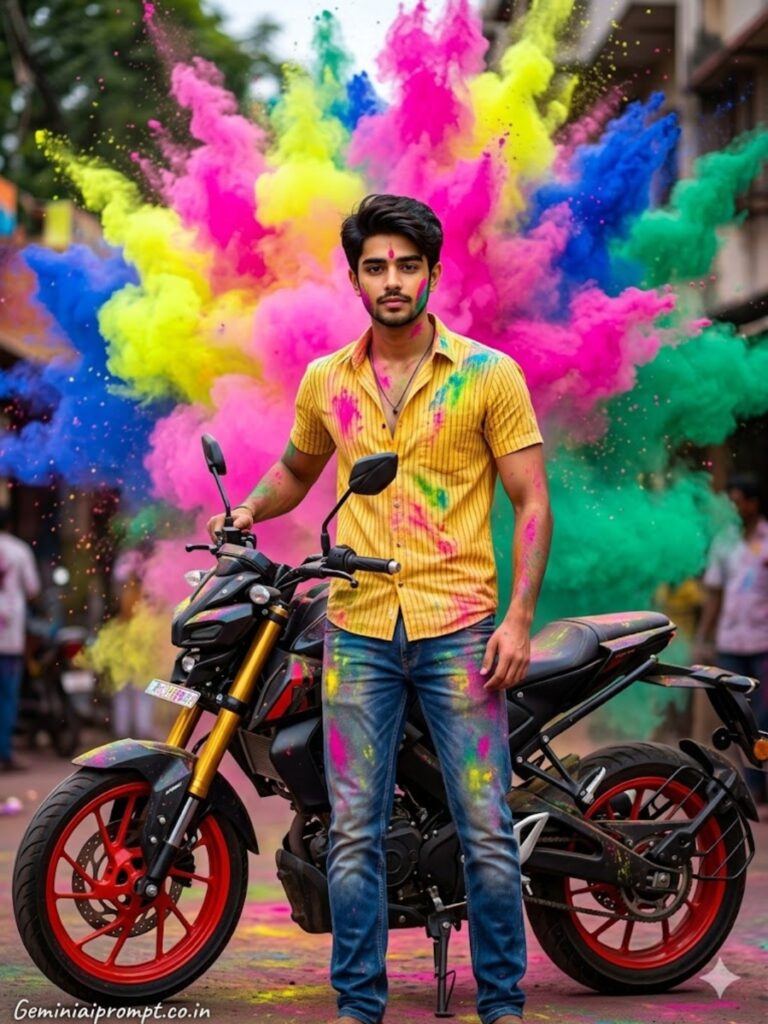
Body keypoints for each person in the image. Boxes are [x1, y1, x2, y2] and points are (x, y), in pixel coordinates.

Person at [208, 194, 552, 1024]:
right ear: (356, 279)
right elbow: (297, 470)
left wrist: (517, 620)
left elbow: (532, 502)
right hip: (358, 629)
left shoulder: (489, 375)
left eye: (407, 265)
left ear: (432, 274)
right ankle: (358, 1005)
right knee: (353, 832)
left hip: (459, 628)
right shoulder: (328, 380)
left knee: (486, 828)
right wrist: (249, 509)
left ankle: (502, 1005)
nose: (392, 280)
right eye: (375, 267)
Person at [696, 472, 768, 803]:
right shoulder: (724, 541)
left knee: (763, 717)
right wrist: (703, 637)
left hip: (763, 644)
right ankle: (753, 786)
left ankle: (760, 782)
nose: (732, 508)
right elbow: (714, 594)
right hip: (730, 644)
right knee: (737, 719)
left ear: (753, 504)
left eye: (737, 502)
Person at [0, 505, 41, 772]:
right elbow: (33, 589)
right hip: (9, 635)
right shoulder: (19, 550)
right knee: (6, 697)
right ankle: (4, 753)